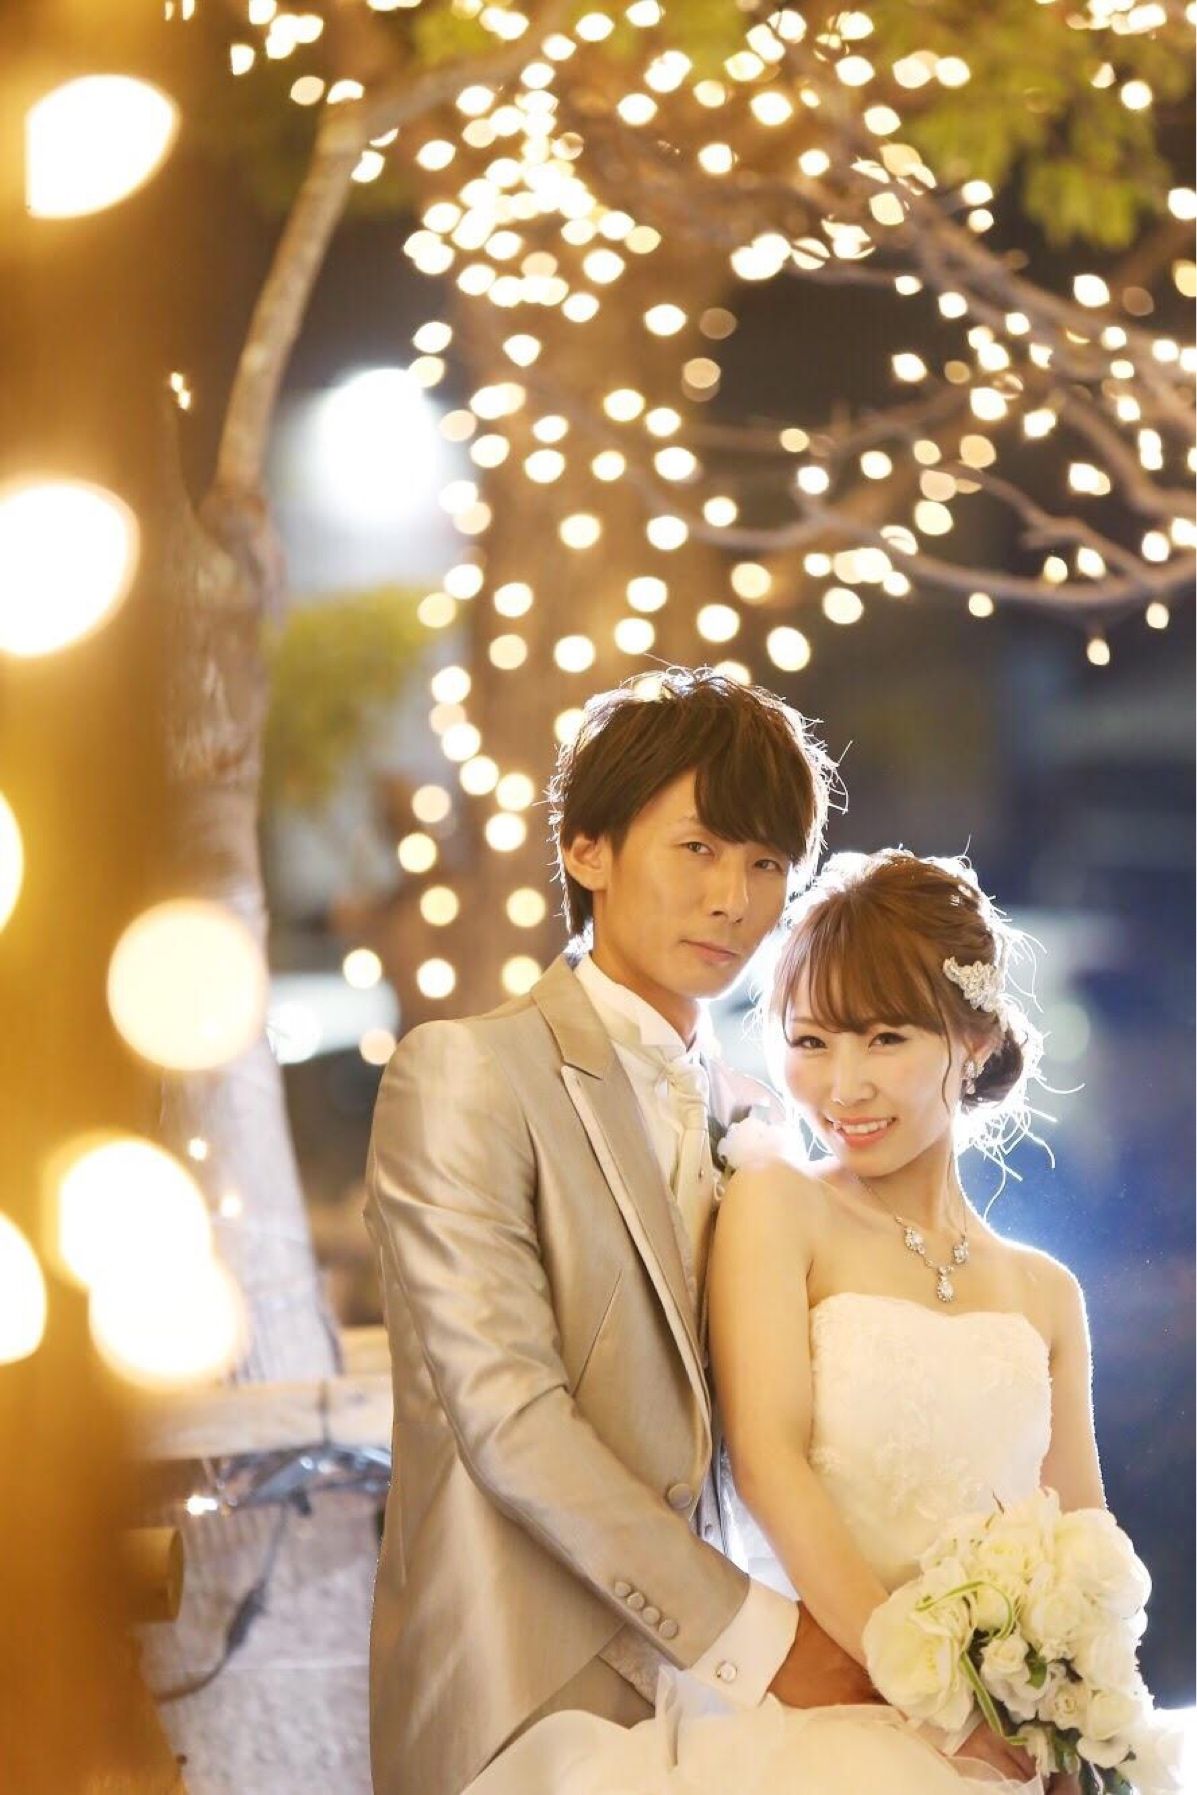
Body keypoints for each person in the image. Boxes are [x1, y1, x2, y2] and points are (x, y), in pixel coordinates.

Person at [464, 849, 1107, 1794]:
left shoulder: (1046, 1292)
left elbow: (1082, 1544)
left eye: (883, 1038)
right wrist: (934, 1703)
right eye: (809, 1041)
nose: (842, 1087)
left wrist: (1069, 1719)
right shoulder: (779, 1207)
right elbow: (770, 1464)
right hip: (833, 1716)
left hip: (1009, 1741)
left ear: (971, 1041)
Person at [364, 669, 855, 1795]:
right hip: (532, 1693)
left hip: (737, 1703)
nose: (733, 899)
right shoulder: (469, 1073)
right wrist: (759, 1637)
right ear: (586, 849)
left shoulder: (759, 1114)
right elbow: (510, 1418)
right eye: (698, 848)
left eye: (766, 863)